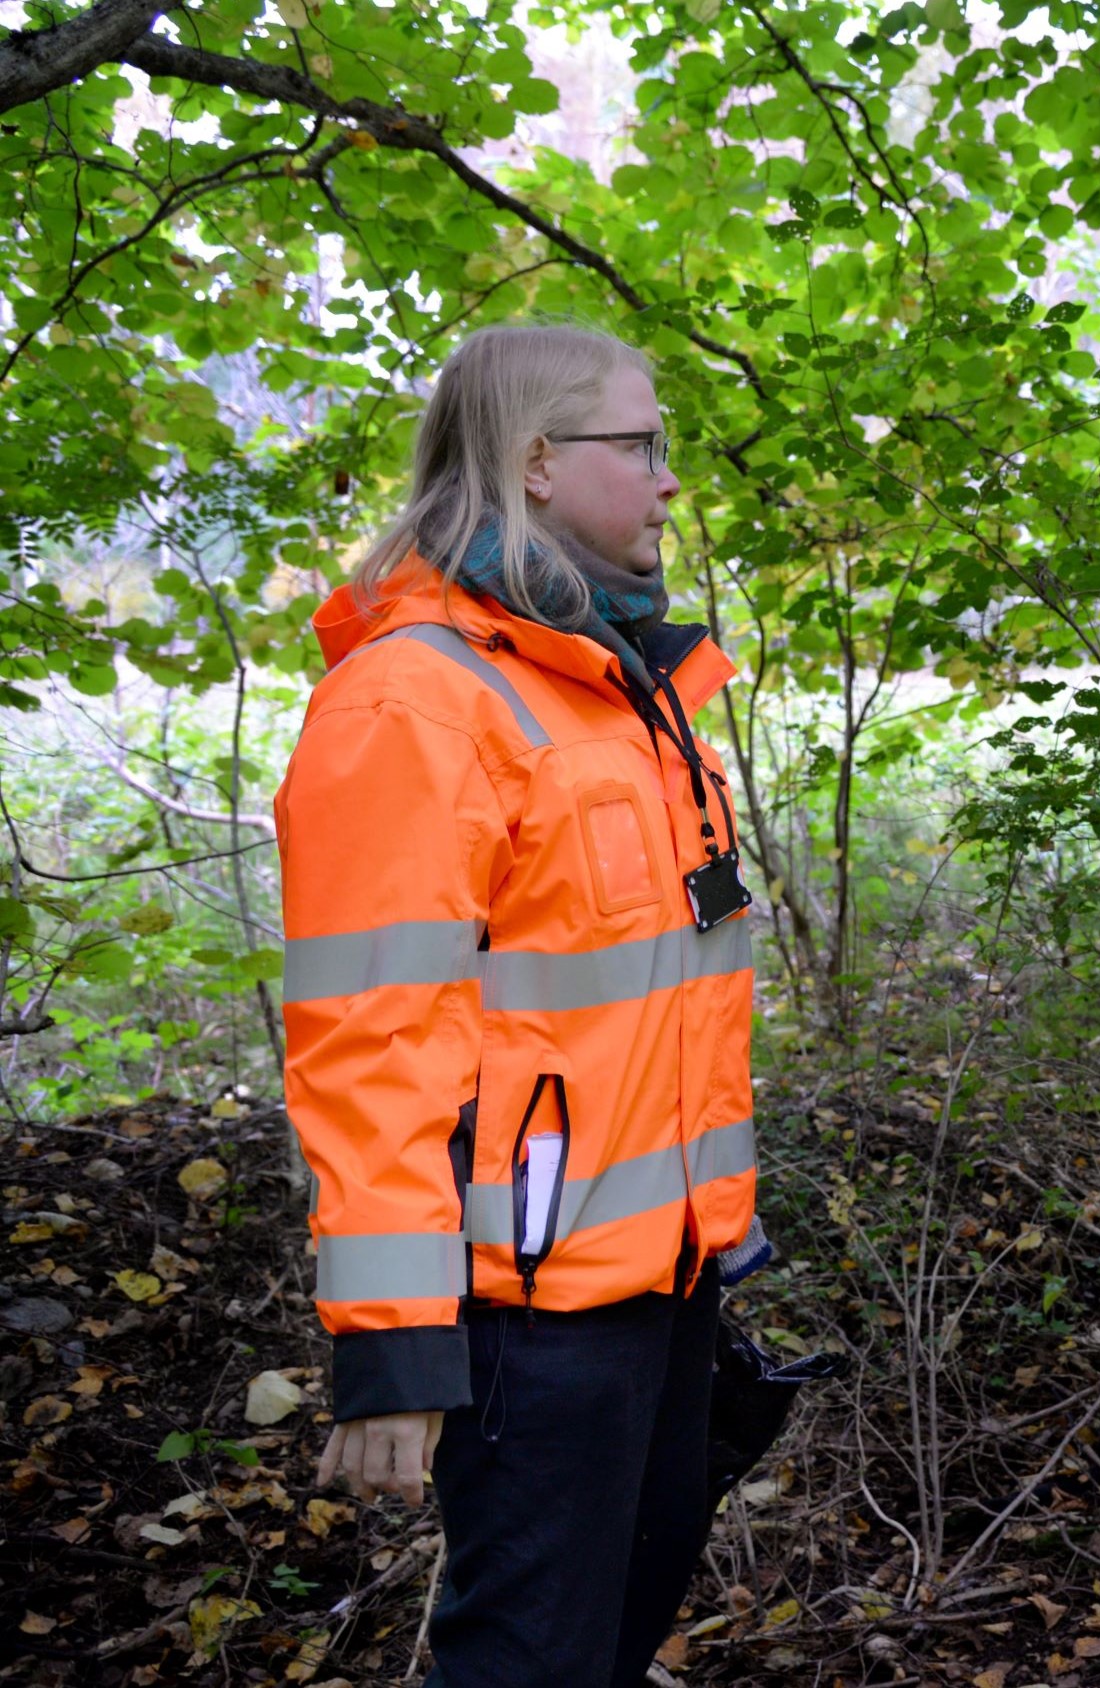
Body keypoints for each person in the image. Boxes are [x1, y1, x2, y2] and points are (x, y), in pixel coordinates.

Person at [277, 322, 761, 1683]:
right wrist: (394, 1344)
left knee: (606, 1643)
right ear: (537, 462)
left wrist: (713, 1240)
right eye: (642, 443)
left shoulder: (620, 691)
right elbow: (371, 1038)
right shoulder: (417, 707)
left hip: (662, 1288)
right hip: (528, 1322)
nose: (669, 479)